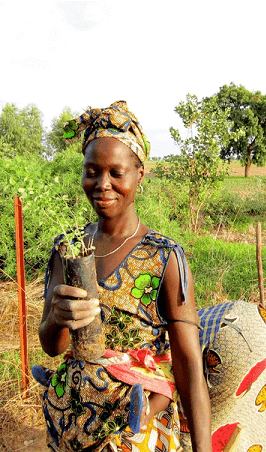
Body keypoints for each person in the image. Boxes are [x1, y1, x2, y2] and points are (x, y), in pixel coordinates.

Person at [34, 101, 211, 452]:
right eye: (92, 171)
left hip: (135, 430)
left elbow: (190, 366)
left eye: (116, 173)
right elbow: (52, 347)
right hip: (71, 420)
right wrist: (56, 316)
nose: (102, 184)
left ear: (139, 176)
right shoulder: (68, 247)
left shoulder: (164, 257)